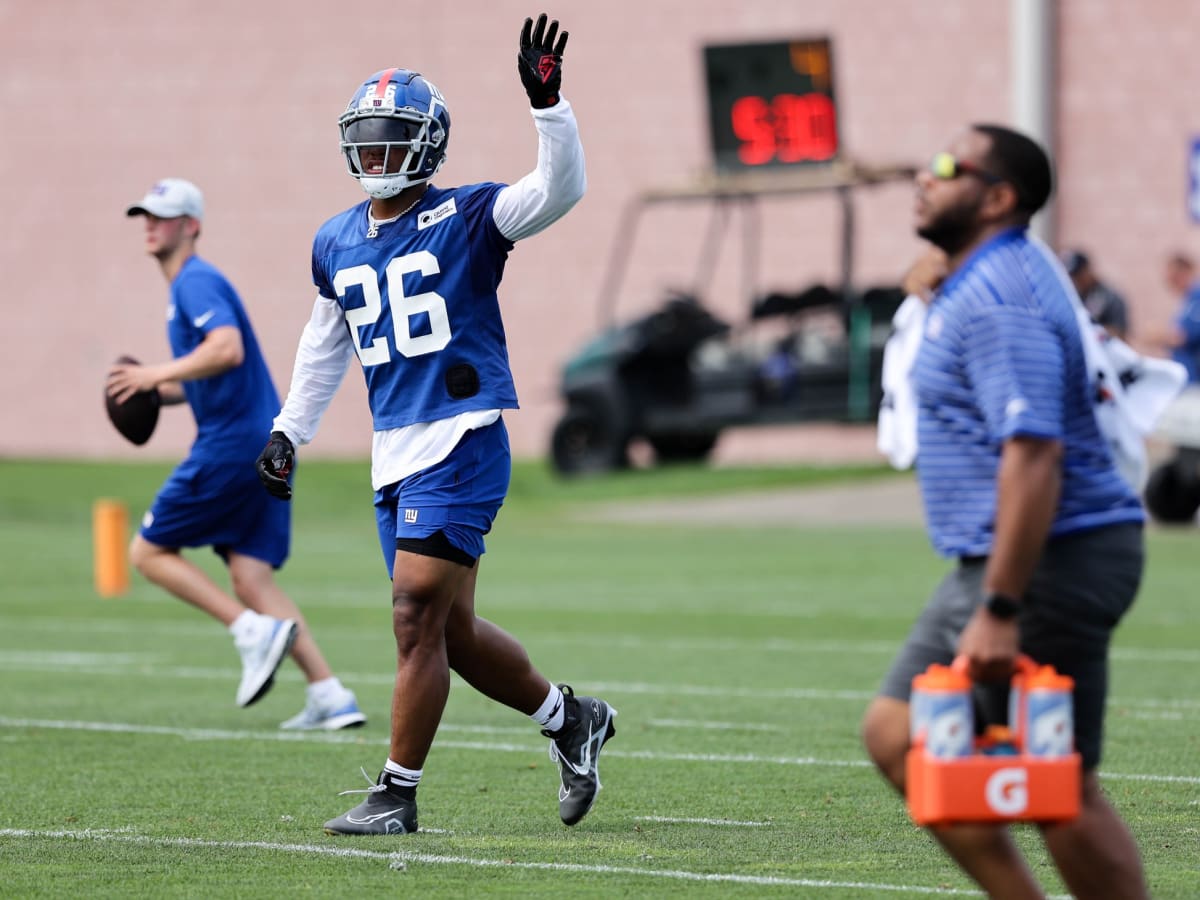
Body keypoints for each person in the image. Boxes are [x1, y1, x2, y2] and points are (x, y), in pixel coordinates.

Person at [255, 14, 616, 836]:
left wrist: (549, 104)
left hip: (462, 436)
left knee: (414, 614)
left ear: (427, 146)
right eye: (368, 139)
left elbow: (559, 189)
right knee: (449, 631)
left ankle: (395, 792)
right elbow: (324, 344)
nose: (377, 154)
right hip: (396, 449)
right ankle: (571, 719)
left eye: (393, 139)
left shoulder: (469, 216)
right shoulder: (336, 239)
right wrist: (288, 432)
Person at [860, 125, 1150, 899]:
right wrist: (933, 273)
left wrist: (999, 604)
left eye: (949, 166)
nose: (925, 174)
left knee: (1059, 787)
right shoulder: (985, 274)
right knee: (896, 734)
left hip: (1049, 557)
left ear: (997, 198)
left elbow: (1034, 454)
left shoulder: (1000, 299)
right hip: (1015, 557)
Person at [109, 178, 366, 731]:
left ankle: (250, 631)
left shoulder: (194, 283)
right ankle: (331, 694)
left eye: (163, 216)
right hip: (263, 441)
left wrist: (153, 372)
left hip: (231, 443)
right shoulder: (192, 287)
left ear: (191, 226)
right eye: (145, 216)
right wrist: (158, 392)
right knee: (253, 578)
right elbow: (212, 370)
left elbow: (226, 349)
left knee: (147, 553)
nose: (151, 224)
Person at [1150, 252, 1200, 383]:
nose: (1171, 282)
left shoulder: (1197, 297)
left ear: (1185, 272)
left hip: (1194, 378)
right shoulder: (1187, 301)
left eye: (1174, 277)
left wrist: (1159, 336)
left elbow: (1182, 337)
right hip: (1185, 377)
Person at [1060, 248, 1130, 340]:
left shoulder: (1111, 298)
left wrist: (1094, 332)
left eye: (1077, 276)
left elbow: (1121, 334)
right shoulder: (1072, 297)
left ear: (1087, 270)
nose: (1074, 281)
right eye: (1071, 277)